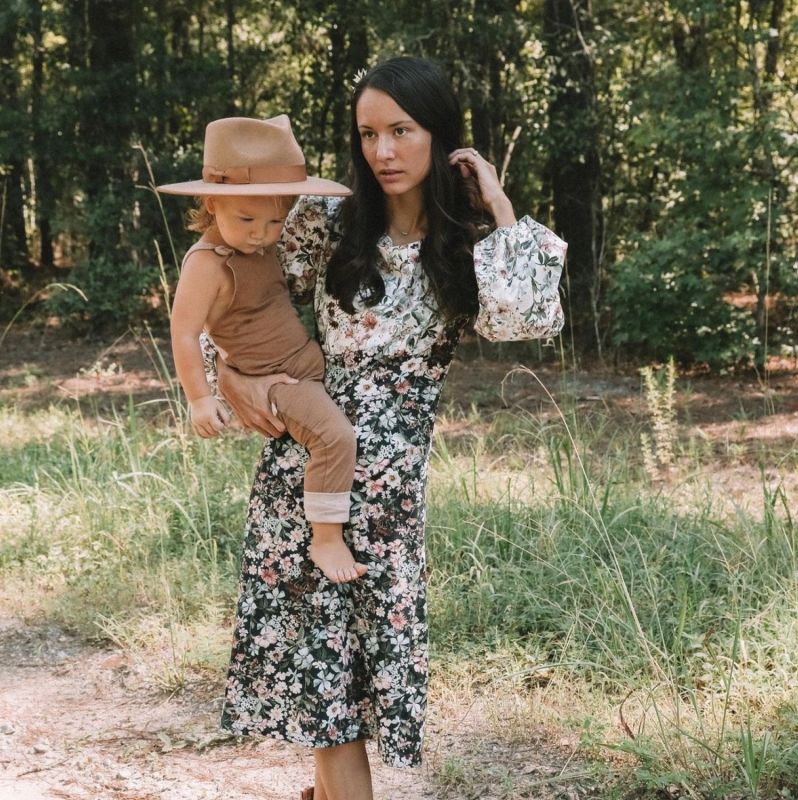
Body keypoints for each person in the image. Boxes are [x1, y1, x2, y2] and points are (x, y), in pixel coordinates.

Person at [208, 58, 567, 800]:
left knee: (357, 680)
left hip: (393, 493)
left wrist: (498, 204)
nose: (384, 151)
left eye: (402, 130)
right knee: (323, 687)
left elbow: (525, 322)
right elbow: (232, 291)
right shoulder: (332, 223)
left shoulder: (466, 243)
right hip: (306, 473)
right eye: (369, 133)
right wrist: (228, 376)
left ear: (439, 137)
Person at [158, 115, 368, 585]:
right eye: (247, 219)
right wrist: (199, 398)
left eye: (275, 221)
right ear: (212, 203)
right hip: (279, 382)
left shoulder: (260, 247)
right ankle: (327, 537)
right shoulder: (207, 264)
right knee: (336, 438)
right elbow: (185, 332)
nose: (260, 233)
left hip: (304, 363)